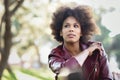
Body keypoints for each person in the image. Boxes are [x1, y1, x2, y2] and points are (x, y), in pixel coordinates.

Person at [48, 4, 113, 80]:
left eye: (75, 26)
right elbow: (64, 70)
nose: (71, 29)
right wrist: (87, 52)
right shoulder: (55, 54)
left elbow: (107, 78)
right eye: (66, 26)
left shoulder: (97, 49)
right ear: (61, 32)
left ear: (81, 32)